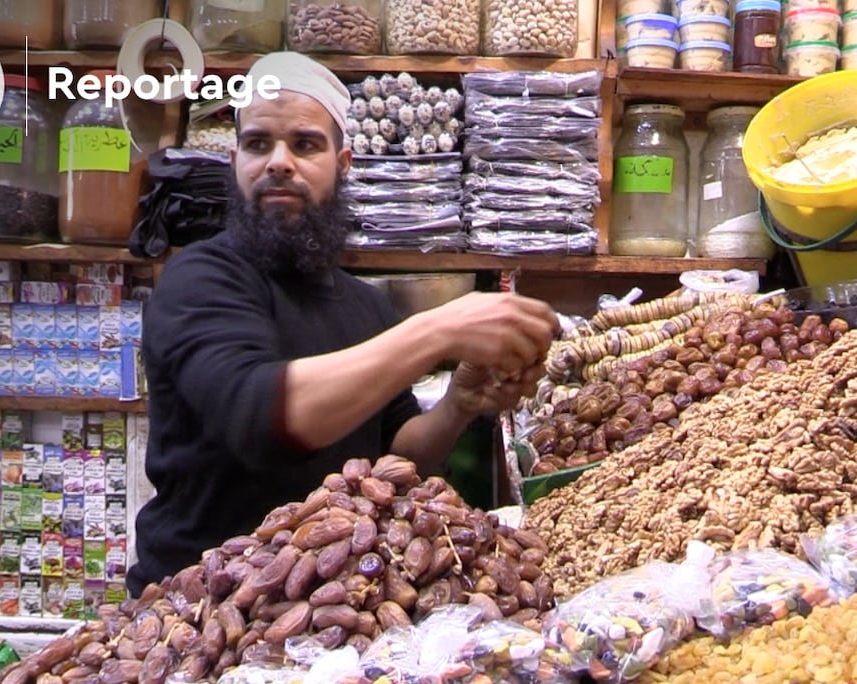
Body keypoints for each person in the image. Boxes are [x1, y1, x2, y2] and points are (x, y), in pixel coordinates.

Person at [126, 52, 559, 595]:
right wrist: (435, 331)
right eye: (259, 145)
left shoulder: (365, 306)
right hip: (202, 608)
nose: (279, 162)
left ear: (344, 162)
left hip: (331, 599)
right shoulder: (199, 279)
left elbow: (397, 458)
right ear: (235, 162)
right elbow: (264, 418)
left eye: (305, 145)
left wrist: (457, 405)